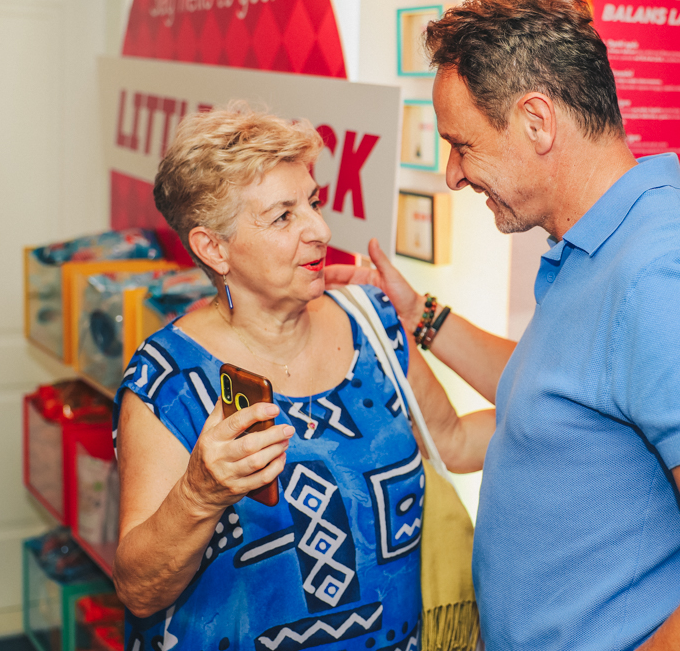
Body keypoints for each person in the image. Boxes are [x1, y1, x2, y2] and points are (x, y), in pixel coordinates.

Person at [327, 0, 680, 651]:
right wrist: (419, 316)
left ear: (537, 121)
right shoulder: (600, 245)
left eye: (463, 145)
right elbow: (563, 387)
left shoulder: (661, 275)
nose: (453, 174)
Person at [111, 104, 473, 651]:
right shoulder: (168, 381)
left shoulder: (372, 322)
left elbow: (455, 440)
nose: (320, 230)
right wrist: (199, 495)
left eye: (314, 203)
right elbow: (139, 591)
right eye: (283, 217)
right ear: (214, 248)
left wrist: (585, 416)